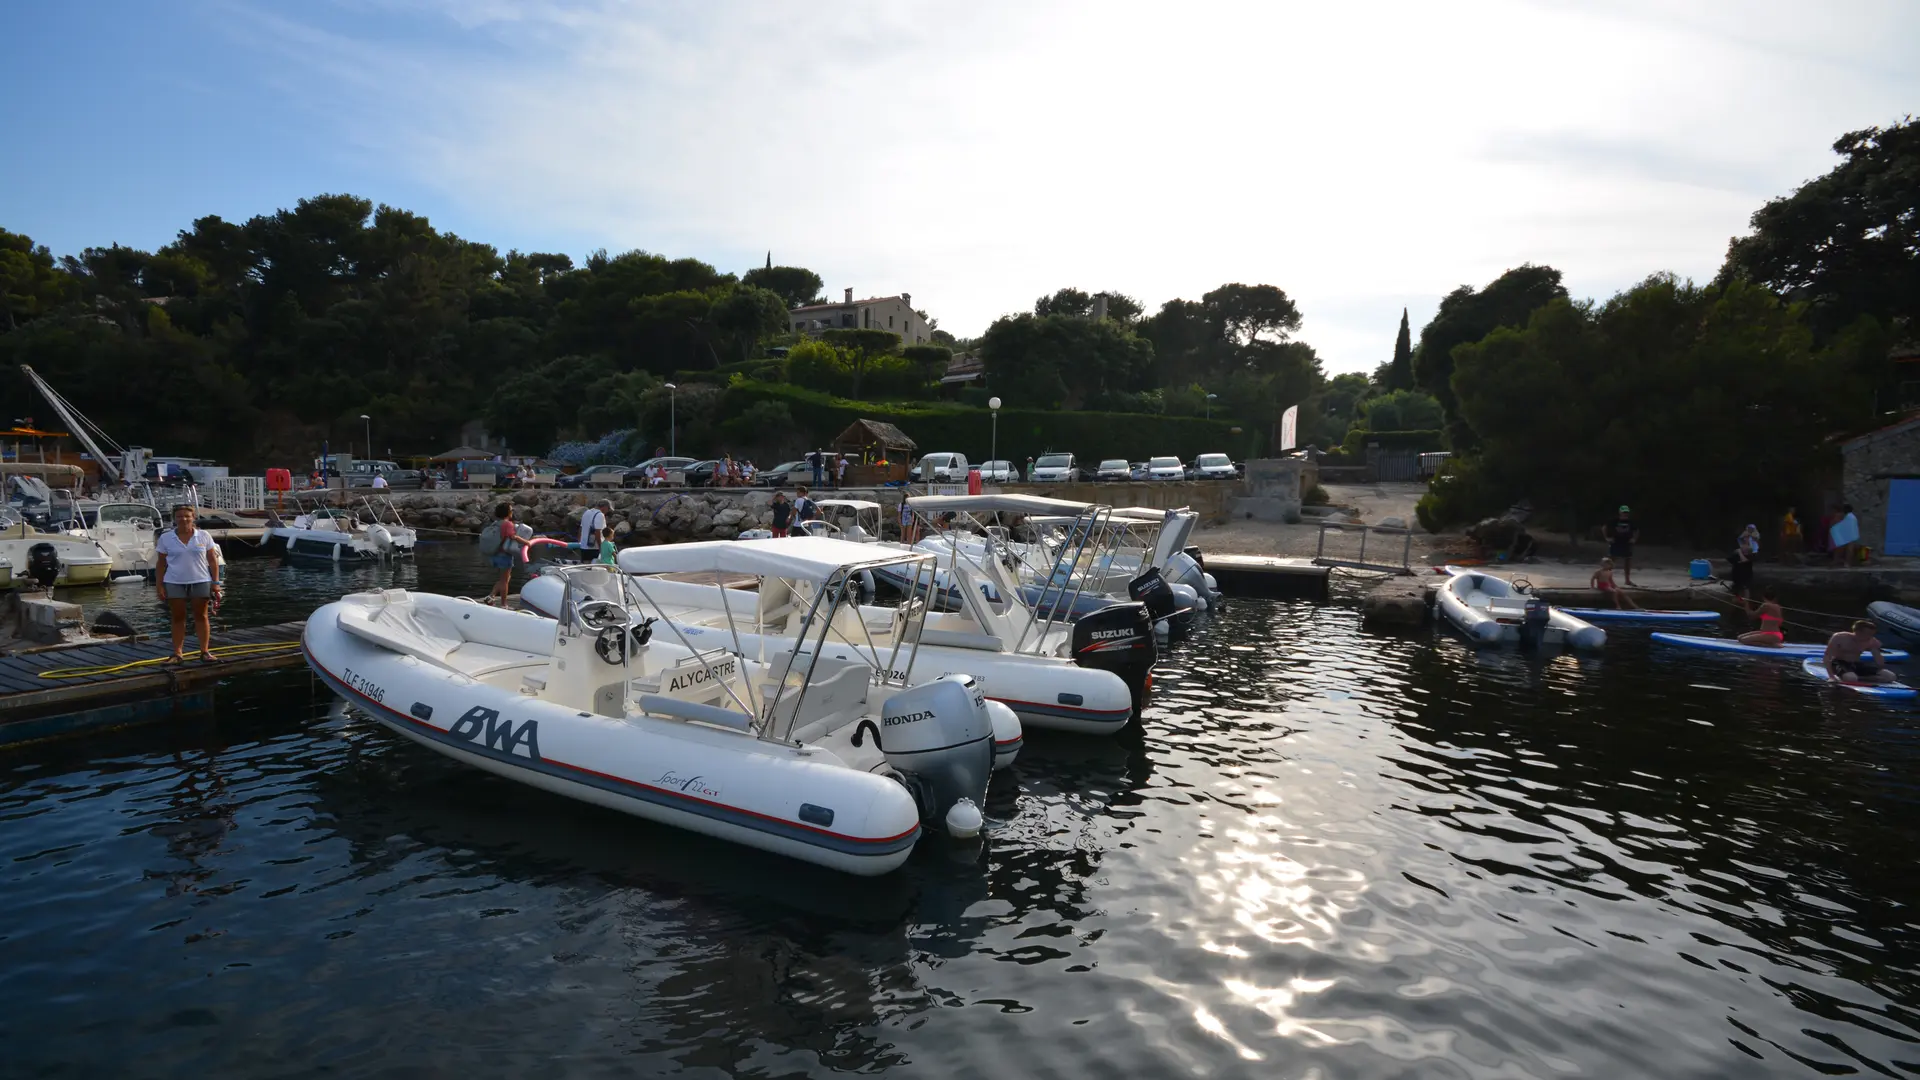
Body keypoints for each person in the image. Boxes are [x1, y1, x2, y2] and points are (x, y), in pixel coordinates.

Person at [154, 503, 222, 664]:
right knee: (178, 617)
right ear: (174, 518)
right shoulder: (166, 538)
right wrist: (159, 585)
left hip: (200, 580)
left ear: (193, 517)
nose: (183, 519)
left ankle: (205, 652)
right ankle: (177, 654)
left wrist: (216, 582)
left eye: (187, 516)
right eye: (179, 516)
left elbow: (212, 560)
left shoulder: (204, 535)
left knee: (202, 616)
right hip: (174, 581)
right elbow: (161, 563)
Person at [1825, 619, 1896, 684]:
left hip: (1856, 663)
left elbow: (1879, 660)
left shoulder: (1872, 641)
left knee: (1891, 676)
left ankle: (1859, 678)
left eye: (1872, 634)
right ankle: (1850, 677)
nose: (1870, 637)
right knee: (1851, 678)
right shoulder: (1839, 637)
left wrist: (1880, 668)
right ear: (1857, 632)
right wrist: (1831, 677)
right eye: (1868, 634)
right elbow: (1827, 656)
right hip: (1840, 662)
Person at [482, 503, 523, 606]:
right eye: (511, 510)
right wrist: (527, 542)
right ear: (507, 513)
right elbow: (513, 537)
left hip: (495, 555)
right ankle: (504, 604)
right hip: (504, 556)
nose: (512, 512)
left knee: (505, 578)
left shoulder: (496, 523)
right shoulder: (508, 524)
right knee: (505, 581)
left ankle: (491, 596)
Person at [1601, 505, 1638, 586]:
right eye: (1623, 512)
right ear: (1620, 512)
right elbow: (1604, 528)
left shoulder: (1631, 522)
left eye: (1626, 512)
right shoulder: (1614, 520)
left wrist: (1634, 539)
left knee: (1628, 561)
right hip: (1616, 542)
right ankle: (1607, 579)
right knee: (1611, 561)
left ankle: (1627, 580)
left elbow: (1636, 531)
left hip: (1627, 543)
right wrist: (1607, 538)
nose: (1625, 514)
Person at [1730, 524, 1760, 605]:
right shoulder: (1739, 546)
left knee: (1746, 588)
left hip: (1746, 575)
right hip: (1737, 575)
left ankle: (1746, 603)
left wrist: (1740, 552)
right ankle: (1738, 602)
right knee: (1736, 591)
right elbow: (1729, 559)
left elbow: (1745, 560)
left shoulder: (1752, 549)